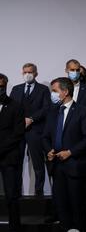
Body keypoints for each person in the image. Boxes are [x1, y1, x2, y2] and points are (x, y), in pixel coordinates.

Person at [42, 77, 86, 232]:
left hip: (75, 165)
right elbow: (45, 136)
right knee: (62, 207)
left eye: (55, 90)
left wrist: (70, 152)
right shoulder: (52, 112)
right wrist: (49, 150)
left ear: (65, 92)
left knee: (76, 207)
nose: (53, 94)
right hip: (57, 166)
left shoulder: (82, 111)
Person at [65, 59, 86, 222]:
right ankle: (63, 212)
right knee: (62, 177)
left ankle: (84, 211)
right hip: (63, 137)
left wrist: (80, 124)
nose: (75, 72)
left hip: (82, 137)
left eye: (77, 69)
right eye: (72, 69)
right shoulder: (61, 88)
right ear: (67, 70)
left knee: (82, 176)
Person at [10, 63, 51, 196]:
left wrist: (31, 119)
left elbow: (46, 108)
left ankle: (39, 192)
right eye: (25, 72)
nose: (27, 74)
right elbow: (10, 109)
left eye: (30, 72)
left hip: (35, 130)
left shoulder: (44, 89)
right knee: (16, 162)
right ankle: (16, 191)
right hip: (18, 132)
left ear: (36, 73)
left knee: (38, 164)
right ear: (22, 73)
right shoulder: (16, 89)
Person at [0, 73, 25, 232]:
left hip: (8, 157)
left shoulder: (16, 106)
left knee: (11, 199)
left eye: (2, 87)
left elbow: (18, 133)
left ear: (6, 86)